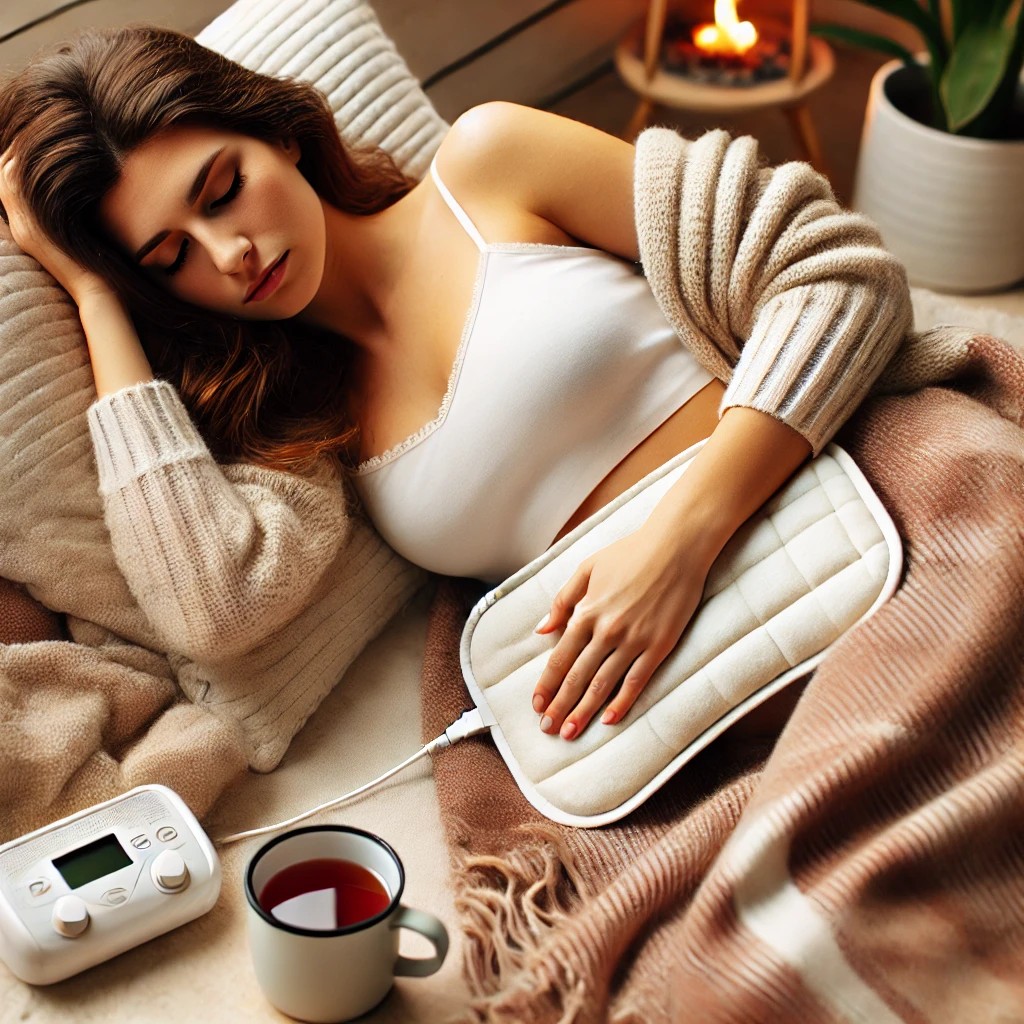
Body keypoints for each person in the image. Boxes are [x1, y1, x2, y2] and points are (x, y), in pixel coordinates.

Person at [0, 26, 910, 747]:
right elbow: (214, 606)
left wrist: (680, 540)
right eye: (170, 257)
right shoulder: (307, 425)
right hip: (691, 702)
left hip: (857, 521)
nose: (227, 254)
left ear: (278, 132)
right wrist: (95, 296)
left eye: (224, 188)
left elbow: (837, 273)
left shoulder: (488, 165)